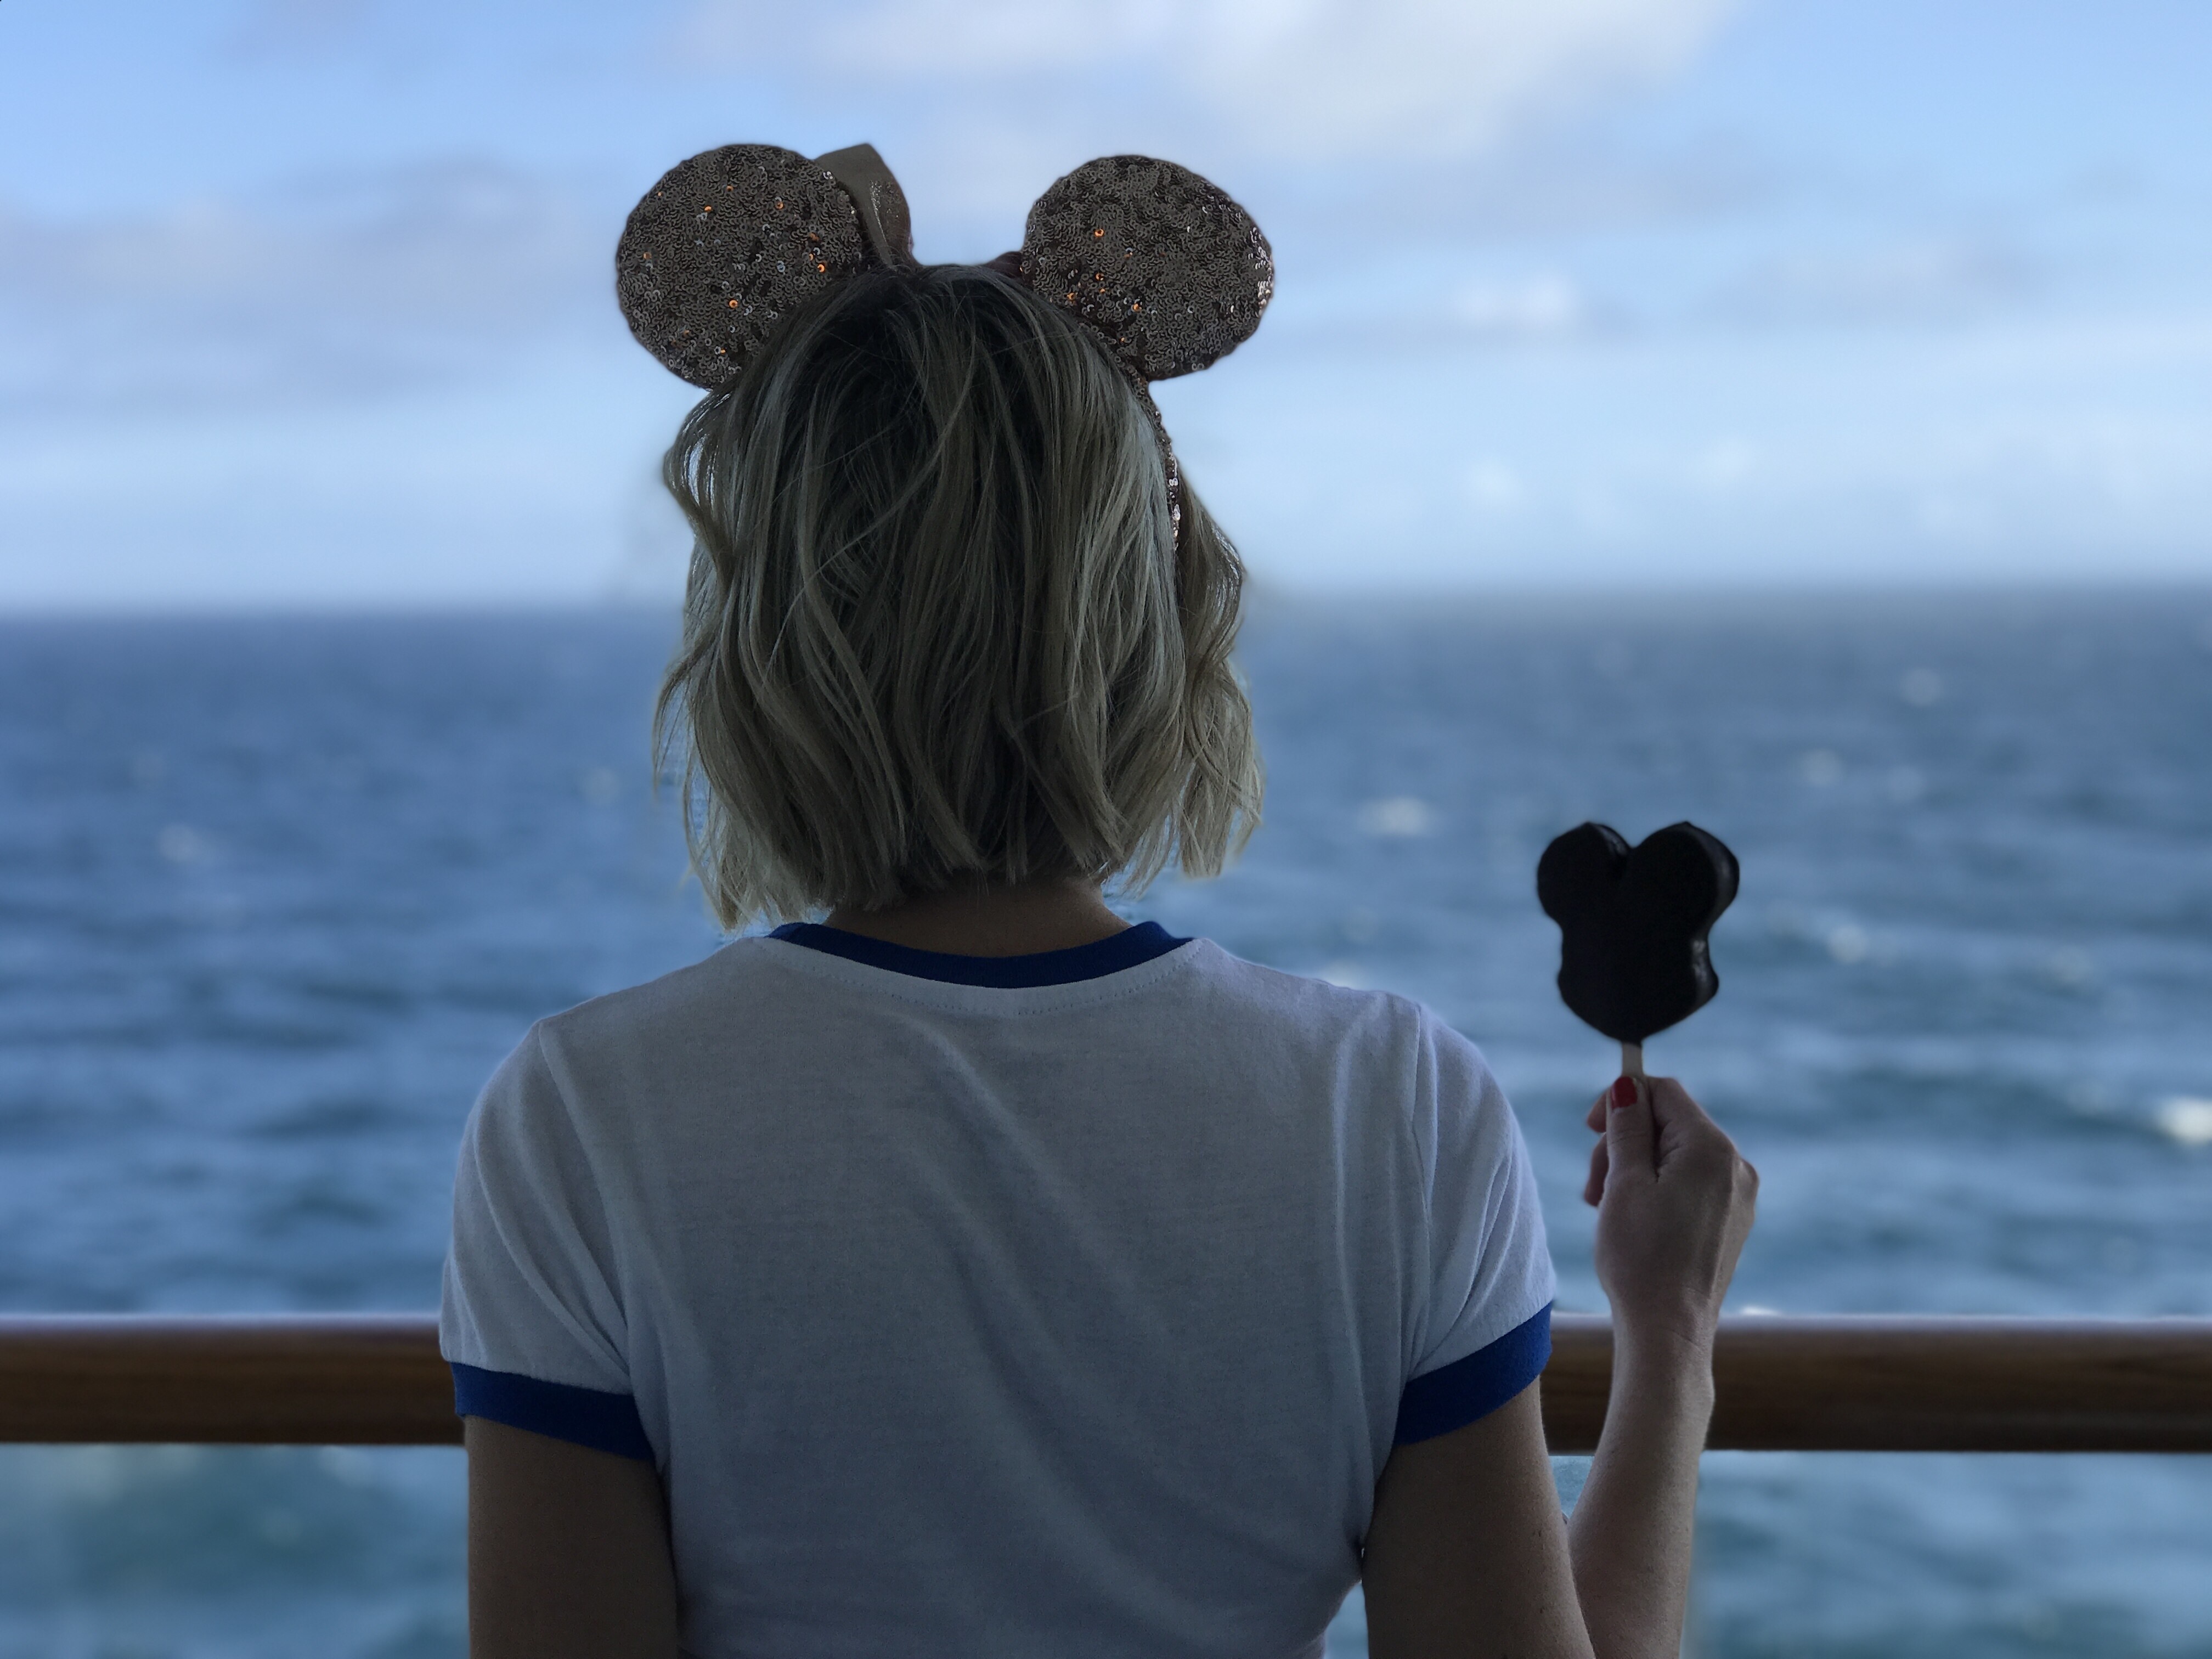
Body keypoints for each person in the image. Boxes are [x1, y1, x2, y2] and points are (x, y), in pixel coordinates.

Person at [439, 146, 1758, 1659]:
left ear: (755, 639)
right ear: (1157, 616)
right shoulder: (1387, 1107)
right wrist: (1672, 1348)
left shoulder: (584, 1119)